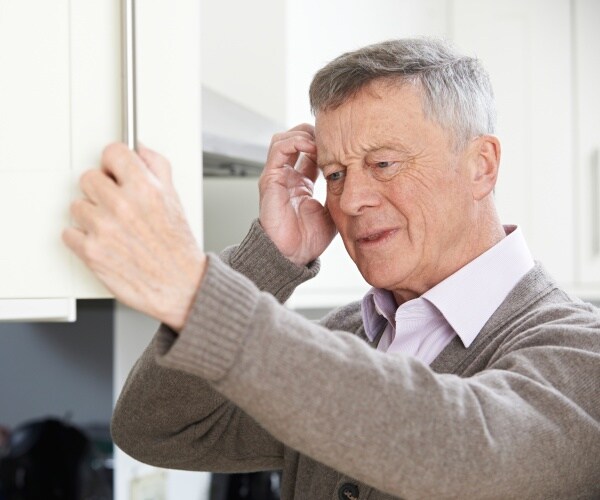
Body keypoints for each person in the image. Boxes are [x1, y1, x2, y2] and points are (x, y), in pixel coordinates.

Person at [63, 38, 600, 499]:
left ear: (481, 166)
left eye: (383, 164)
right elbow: (156, 428)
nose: (351, 199)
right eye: (337, 173)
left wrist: (194, 291)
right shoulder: (351, 334)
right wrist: (267, 262)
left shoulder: (579, 352)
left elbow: (463, 448)